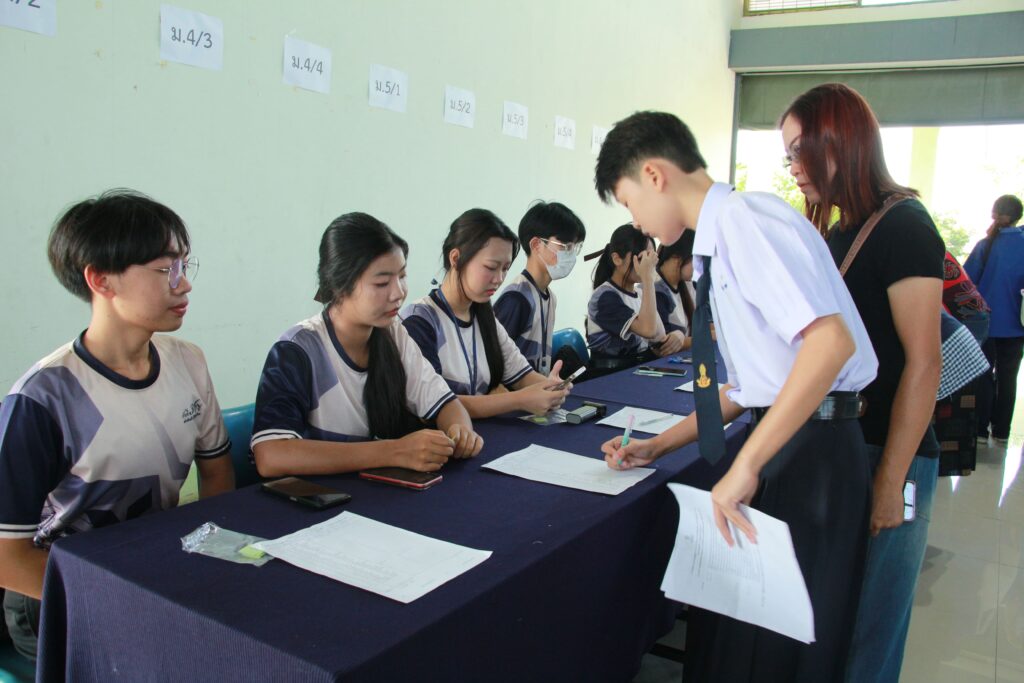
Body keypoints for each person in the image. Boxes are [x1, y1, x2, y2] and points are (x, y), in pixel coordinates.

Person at [596, 110, 876, 682]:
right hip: (794, 438)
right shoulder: (721, 242)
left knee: (778, 651)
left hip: (813, 451)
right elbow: (753, 385)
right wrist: (658, 445)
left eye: (628, 203)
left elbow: (829, 343)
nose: (636, 221)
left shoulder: (747, 221)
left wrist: (747, 464)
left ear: (654, 175)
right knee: (742, 643)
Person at [0, 189, 235, 662]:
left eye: (184, 265)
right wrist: (127, 599)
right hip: (59, 594)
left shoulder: (187, 362)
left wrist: (208, 560)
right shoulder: (44, 398)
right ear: (100, 280)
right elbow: (9, 558)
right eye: (165, 269)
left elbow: (216, 473)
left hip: (154, 567)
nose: (184, 284)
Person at [780, 82, 944, 682]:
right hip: (848, 448)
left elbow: (924, 363)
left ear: (841, 143)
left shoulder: (903, 225)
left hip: (891, 452)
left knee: (871, 632)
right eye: (788, 155)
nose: (794, 167)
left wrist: (891, 481)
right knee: (837, 622)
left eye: (800, 151)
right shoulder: (842, 229)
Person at [251, 213, 482, 477]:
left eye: (402, 276)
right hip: (320, 495)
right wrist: (395, 451)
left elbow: (446, 404)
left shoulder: (393, 333)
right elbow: (271, 455)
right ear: (340, 285)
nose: (399, 293)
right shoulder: (297, 350)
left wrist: (460, 431)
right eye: (382, 283)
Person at [402, 209, 571, 419]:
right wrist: (520, 399)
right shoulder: (420, 320)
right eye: (491, 267)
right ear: (456, 258)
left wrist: (550, 388)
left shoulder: (483, 314)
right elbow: (438, 403)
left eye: (505, 268)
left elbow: (521, 374)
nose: (499, 279)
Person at [494, 200, 587, 374]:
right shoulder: (517, 299)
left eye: (575, 247)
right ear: (536, 245)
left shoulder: (550, 297)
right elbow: (493, 365)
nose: (571, 254)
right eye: (566, 246)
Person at [964, 194, 1024, 446]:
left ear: (995, 214)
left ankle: (980, 429)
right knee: (1009, 378)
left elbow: (966, 282)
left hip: (987, 324)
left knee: (984, 375)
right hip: (1018, 326)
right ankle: (1001, 431)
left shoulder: (986, 245)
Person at [585, 224, 668, 374]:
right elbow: (648, 330)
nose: (647, 265)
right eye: (642, 258)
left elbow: (659, 337)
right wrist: (648, 278)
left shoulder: (640, 292)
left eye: (650, 258)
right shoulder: (604, 297)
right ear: (617, 259)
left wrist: (678, 336)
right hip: (609, 375)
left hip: (636, 369)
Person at [653, 229, 696, 352]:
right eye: (696, 260)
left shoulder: (685, 285)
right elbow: (666, 344)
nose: (698, 266)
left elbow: (700, 326)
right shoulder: (656, 290)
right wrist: (712, 336)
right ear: (676, 258)